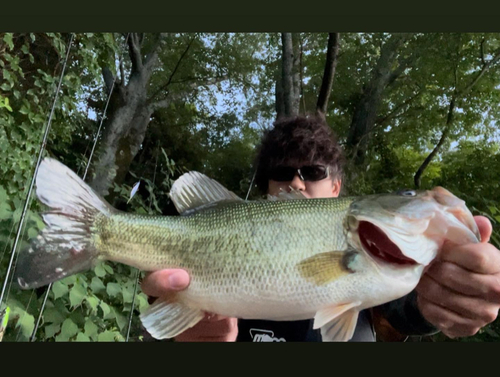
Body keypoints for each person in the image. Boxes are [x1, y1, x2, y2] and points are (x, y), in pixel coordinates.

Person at [141, 115, 500, 341]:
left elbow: (413, 311)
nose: (296, 183)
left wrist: (453, 297)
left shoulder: (390, 277)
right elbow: (163, 315)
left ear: (336, 189)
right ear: (266, 187)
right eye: (282, 173)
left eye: (312, 172)